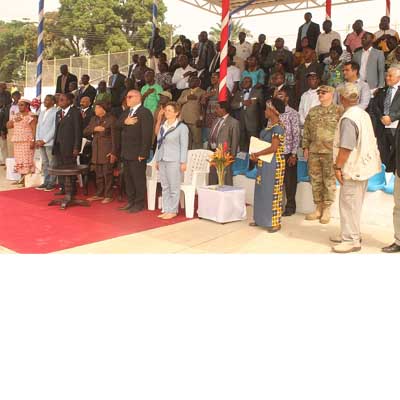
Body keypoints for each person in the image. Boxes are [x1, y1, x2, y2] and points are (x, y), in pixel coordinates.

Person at [331, 83, 381, 253]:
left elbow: (346, 147)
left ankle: (351, 240)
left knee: (349, 205)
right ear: (357, 98)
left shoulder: (348, 119)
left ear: (342, 98)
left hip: (353, 168)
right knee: (353, 204)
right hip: (364, 166)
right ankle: (350, 233)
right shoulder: (362, 114)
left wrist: (337, 167)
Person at [302, 85, 341, 224]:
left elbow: (343, 131)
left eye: (323, 92)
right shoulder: (313, 111)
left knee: (329, 181)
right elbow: (306, 130)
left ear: (331, 94)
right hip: (314, 151)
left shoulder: (339, 111)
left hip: (330, 152)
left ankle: (327, 209)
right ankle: (318, 207)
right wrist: (305, 147)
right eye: (319, 92)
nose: (320, 94)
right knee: (316, 180)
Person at [250, 98, 286, 233]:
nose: (264, 111)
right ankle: (260, 219)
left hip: (274, 163)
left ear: (272, 111)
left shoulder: (278, 128)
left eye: (266, 109)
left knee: (272, 192)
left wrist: (257, 153)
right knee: (261, 190)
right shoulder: (269, 127)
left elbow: (274, 147)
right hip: (264, 161)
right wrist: (255, 154)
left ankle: (274, 222)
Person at [114, 90, 154, 213]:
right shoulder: (126, 112)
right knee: (128, 179)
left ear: (138, 98)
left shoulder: (145, 112)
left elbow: (147, 135)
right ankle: (130, 201)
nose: (127, 99)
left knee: (138, 179)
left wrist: (143, 153)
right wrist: (125, 122)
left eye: (130, 97)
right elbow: (116, 124)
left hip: (137, 153)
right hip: (126, 151)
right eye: (127, 97)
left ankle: (139, 203)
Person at [155, 102, 189, 219]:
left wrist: (183, 162)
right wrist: (157, 160)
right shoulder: (163, 126)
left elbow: (184, 145)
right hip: (163, 159)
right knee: (165, 186)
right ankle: (167, 209)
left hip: (174, 160)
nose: (167, 112)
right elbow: (158, 144)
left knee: (174, 186)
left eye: (170, 110)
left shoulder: (182, 127)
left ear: (176, 113)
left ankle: (173, 210)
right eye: (166, 110)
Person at [83, 102, 117, 204]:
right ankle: (99, 194)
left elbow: (115, 138)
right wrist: (94, 129)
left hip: (107, 150)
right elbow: (85, 131)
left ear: (104, 109)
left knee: (108, 174)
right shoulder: (94, 119)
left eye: (97, 108)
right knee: (98, 174)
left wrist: (113, 152)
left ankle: (108, 195)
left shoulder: (112, 119)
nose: (95, 109)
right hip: (96, 150)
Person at [275, 87, 301, 216]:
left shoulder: (293, 113)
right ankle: (277, 206)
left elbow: (296, 134)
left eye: (281, 96)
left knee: (290, 183)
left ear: (287, 98)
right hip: (276, 152)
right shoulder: (274, 113)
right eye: (277, 96)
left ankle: (290, 207)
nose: (279, 98)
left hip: (288, 153)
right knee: (277, 182)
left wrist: (294, 154)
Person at [53, 93, 82, 195]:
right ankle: (63, 188)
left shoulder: (75, 112)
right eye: (59, 100)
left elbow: (78, 131)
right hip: (59, 145)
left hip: (70, 146)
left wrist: (76, 147)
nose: (59, 101)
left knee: (69, 167)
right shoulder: (58, 113)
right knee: (60, 167)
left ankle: (71, 189)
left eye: (62, 100)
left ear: (69, 101)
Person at [373, 66, 400, 171]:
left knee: (396, 155)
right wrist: (381, 117)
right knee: (383, 154)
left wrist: (391, 118)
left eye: (390, 76)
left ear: (398, 77)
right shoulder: (382, 90)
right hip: (382, 127)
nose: (387, 78)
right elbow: (375, 106)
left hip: (396, 127)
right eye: (386, 75)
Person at [207, 102, 240, 186]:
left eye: (217, 108)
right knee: (213, 178)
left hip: (225, 155)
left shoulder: (233, 122)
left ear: (223, 109)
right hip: (213, 153)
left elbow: (235, 140)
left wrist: (232, 156)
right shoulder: (215, 121)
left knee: (225, 179)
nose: (216, 110)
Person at [6, 99, 37, 186]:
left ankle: (26, 180)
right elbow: (8, 126)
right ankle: (21, 178)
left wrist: (33, 141)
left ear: (27, 106)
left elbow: (34, 129)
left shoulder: (32, 116)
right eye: (19, 105)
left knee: (26, 160)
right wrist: (13, 119)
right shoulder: (17, 115)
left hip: (27, 141)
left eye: (22, 105)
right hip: (17, 141)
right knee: (19, 160)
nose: (20, 107)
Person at [231, 76, 264, 152]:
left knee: (254, 145)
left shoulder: (258, 92)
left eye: (247, 81)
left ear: (251, 83)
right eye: (243, 81)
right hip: (241, 123)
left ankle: (253, 162)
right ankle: (243, 162)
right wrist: (242, 103)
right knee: (242, 145)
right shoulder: (238, 93)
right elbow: (232, 105)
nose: (245, 83)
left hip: (253, 124)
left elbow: (262, 106)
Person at [35, 95, 58, 191]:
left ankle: (52, 182)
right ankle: (46, 181)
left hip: (49, 142)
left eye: (47, 100)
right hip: (40, 141)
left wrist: (44, 140)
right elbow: (38, 126)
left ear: (53, 102)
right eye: (45, 100)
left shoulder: (56, 112)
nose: (45, 101)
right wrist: (37, 139)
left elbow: (54, 128)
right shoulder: (42, 112)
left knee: (52, 163)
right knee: (45, 163)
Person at [177, 76, 205, 150]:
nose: (189, 82)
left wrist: (201, 119)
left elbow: (203, 107)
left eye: (191, 81)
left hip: (195, 120)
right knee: (186, 140)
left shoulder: (202, 92)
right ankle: (187, 157)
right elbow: (178, 102)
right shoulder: (185, 92)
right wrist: (187, 98)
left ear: (198, 83)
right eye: (189, 81)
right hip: (184, 119)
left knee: (197, 141)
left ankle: (198, 158)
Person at [201, 72, 219, 146]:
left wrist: (207, 96)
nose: (212, 79)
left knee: (216, 130)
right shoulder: (209, 88)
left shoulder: (222, 88)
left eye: (215, 77)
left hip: (217, 111)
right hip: (208, 111)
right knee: (207, 130)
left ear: (220, 78)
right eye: (211, 77)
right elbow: (203, 100)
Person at [6, 91, 21, 158]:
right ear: (12, 97)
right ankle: (10, 163)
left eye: (18, 96)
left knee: (18, 146)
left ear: (20, 97)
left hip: (19, 128)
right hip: (10, 128)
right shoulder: (8, 106)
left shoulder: (22, 105)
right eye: (15, 96)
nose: (16, 97)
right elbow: (6, 117)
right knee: (10, 146)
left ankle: (18, 162)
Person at [0, 99, 8, 166]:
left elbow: (4, 122)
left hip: (2, 131)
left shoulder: (4, 110)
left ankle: (4, 161)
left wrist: (3, 131)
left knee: (3, 147)